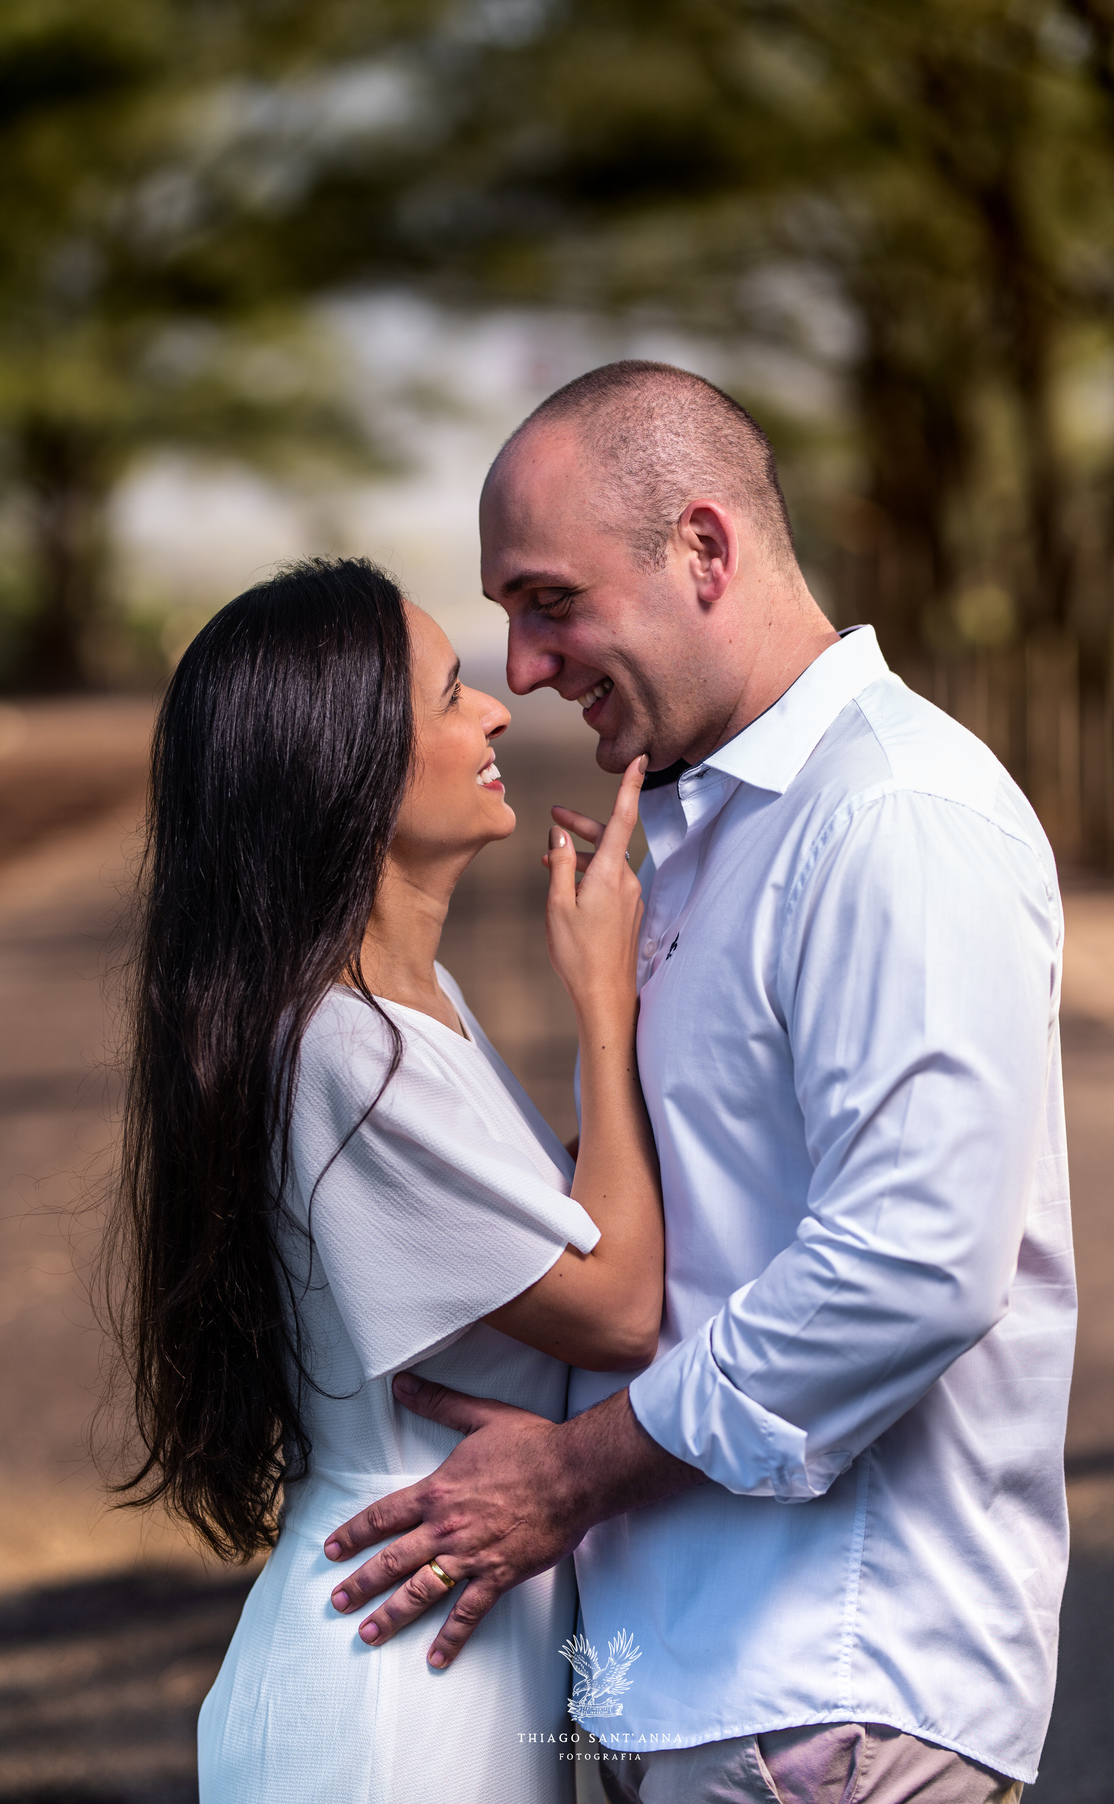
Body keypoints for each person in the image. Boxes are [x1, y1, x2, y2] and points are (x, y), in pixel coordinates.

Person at [324, 364, 1077, 1803]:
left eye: (548, 600)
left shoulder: (894, 817)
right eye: (504, 621)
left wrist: (578, 1473)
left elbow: (913, 1260)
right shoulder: (722, 824)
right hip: (709, 1683)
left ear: (706, 550)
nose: (524, 668)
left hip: (830, 1698)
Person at [105, 555, 664, 1804]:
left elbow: (562, 1237)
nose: (497, 712)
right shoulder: (344, 1050)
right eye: (451, 693)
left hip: (454, 1638)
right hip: (388, 1686)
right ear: (343, 762)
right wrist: (603, 1003)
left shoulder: (414, 1009)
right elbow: (617, 1298)